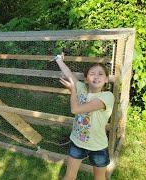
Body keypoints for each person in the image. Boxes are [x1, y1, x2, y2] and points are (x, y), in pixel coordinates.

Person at [53, 52, 114, 180]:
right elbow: (69, 74)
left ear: (106, 80)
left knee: (100, 178)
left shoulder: (107, 96)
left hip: (98, 146)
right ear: (86, 79)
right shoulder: (82, 88)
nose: (96, 77)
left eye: (100, 74)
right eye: (92, 74)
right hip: (77, 141)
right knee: (69, 177)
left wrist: (73, 90)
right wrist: (59, 60)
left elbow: (75, 109)